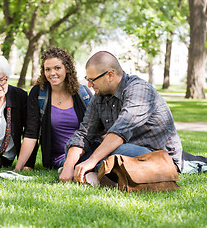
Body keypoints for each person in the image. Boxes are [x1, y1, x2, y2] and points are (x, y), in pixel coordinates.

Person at [59, 51, 183, 183]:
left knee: (117, 151)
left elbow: (119, 133)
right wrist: (68, 165)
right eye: (87, 79)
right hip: (125, 150)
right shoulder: (99, 97)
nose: (89, 85)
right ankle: (90, 172)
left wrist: (91, 160)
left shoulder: (139, 90)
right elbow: (84, 134)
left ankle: (94, 173)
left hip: (159, 158)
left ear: (110, 75)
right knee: (76, 148)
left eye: (92, 80)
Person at [15, 47, 93, 171]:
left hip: (84, 151)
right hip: (59, 158)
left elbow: (96, 128)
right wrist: (17, 169)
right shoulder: (39, 93)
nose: (52, 73)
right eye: (48, 69)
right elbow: (31, 133)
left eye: (57, 68)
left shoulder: (82, 93)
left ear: (67, 68)